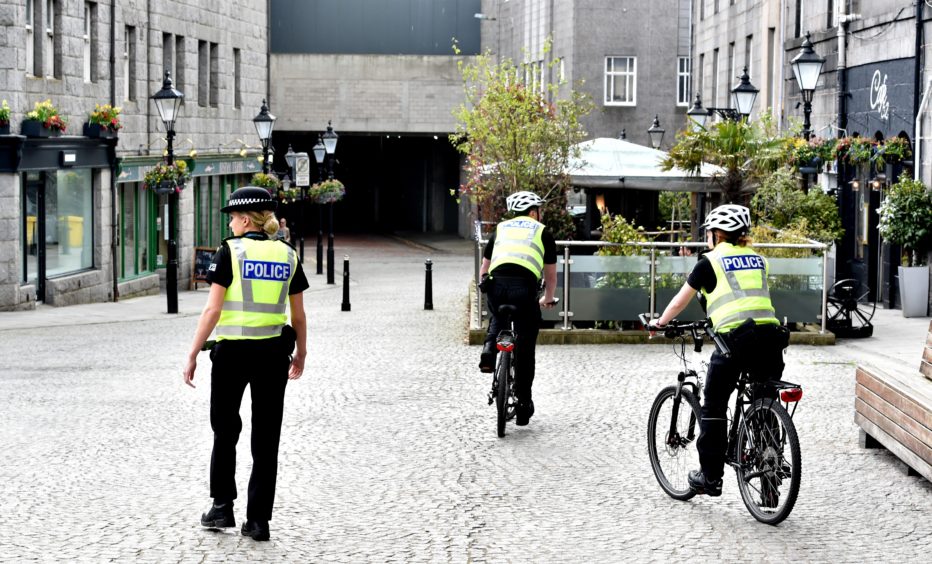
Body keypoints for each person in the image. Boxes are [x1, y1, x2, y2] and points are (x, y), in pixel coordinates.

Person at [182, 186, 309, 542]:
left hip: (232, 354)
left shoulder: (230, 252)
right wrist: (301, 352)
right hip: (272, 355)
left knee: (225, 431)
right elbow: (298, 315)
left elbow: (213, 309)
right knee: (266, 439)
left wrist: (193, 352)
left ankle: (222, 506)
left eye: (233, 218)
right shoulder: (287, 254)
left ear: (244, 218)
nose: (231, 224)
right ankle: (258, 521)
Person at [652, 204, 789, 498]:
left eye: (709, 233)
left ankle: (710, 478)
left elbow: (679, 301)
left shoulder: (710, 262)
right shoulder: (758, 259)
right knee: (764, 401)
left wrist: (660, 322)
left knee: (714, 404)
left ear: (717, 234)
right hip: (772, 338)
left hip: (736, 341)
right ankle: (769, 483)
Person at [478, 191, 558, 426]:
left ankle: (489, 351)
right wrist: (547, 298)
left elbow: (484, 269)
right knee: (525, 345)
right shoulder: (542, 232)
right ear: (534, 212)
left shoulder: (500, 229)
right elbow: (551, 276)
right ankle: (523, 403)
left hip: (496, 287)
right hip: (524, 291)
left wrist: (487, 288)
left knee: (497, 315)